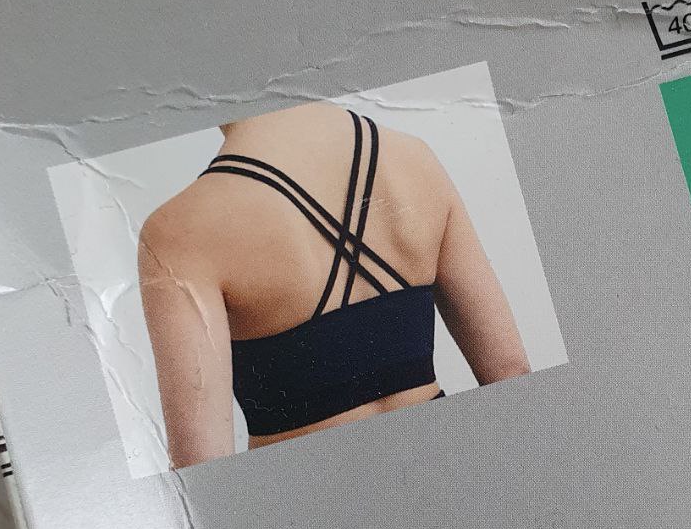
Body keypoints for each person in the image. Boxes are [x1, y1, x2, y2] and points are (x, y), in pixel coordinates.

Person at [139, 101, 530, 469]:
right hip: (449, 470)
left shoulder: (177, 230)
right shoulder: (414, 156)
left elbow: (201, 467)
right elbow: (510, 372)